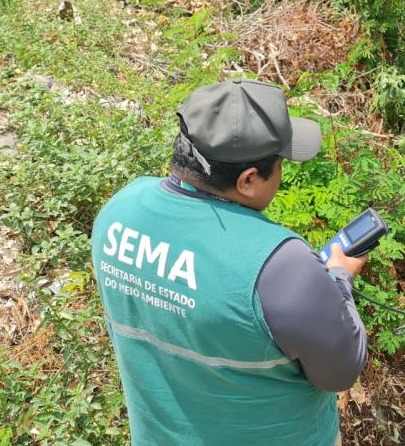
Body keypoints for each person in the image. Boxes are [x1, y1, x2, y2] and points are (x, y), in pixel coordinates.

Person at [91, 79, 367, 445]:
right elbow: (339, 373)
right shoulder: (281, 266)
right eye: (280, 164)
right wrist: (338, 280)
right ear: (249, 180)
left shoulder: (119, 210)